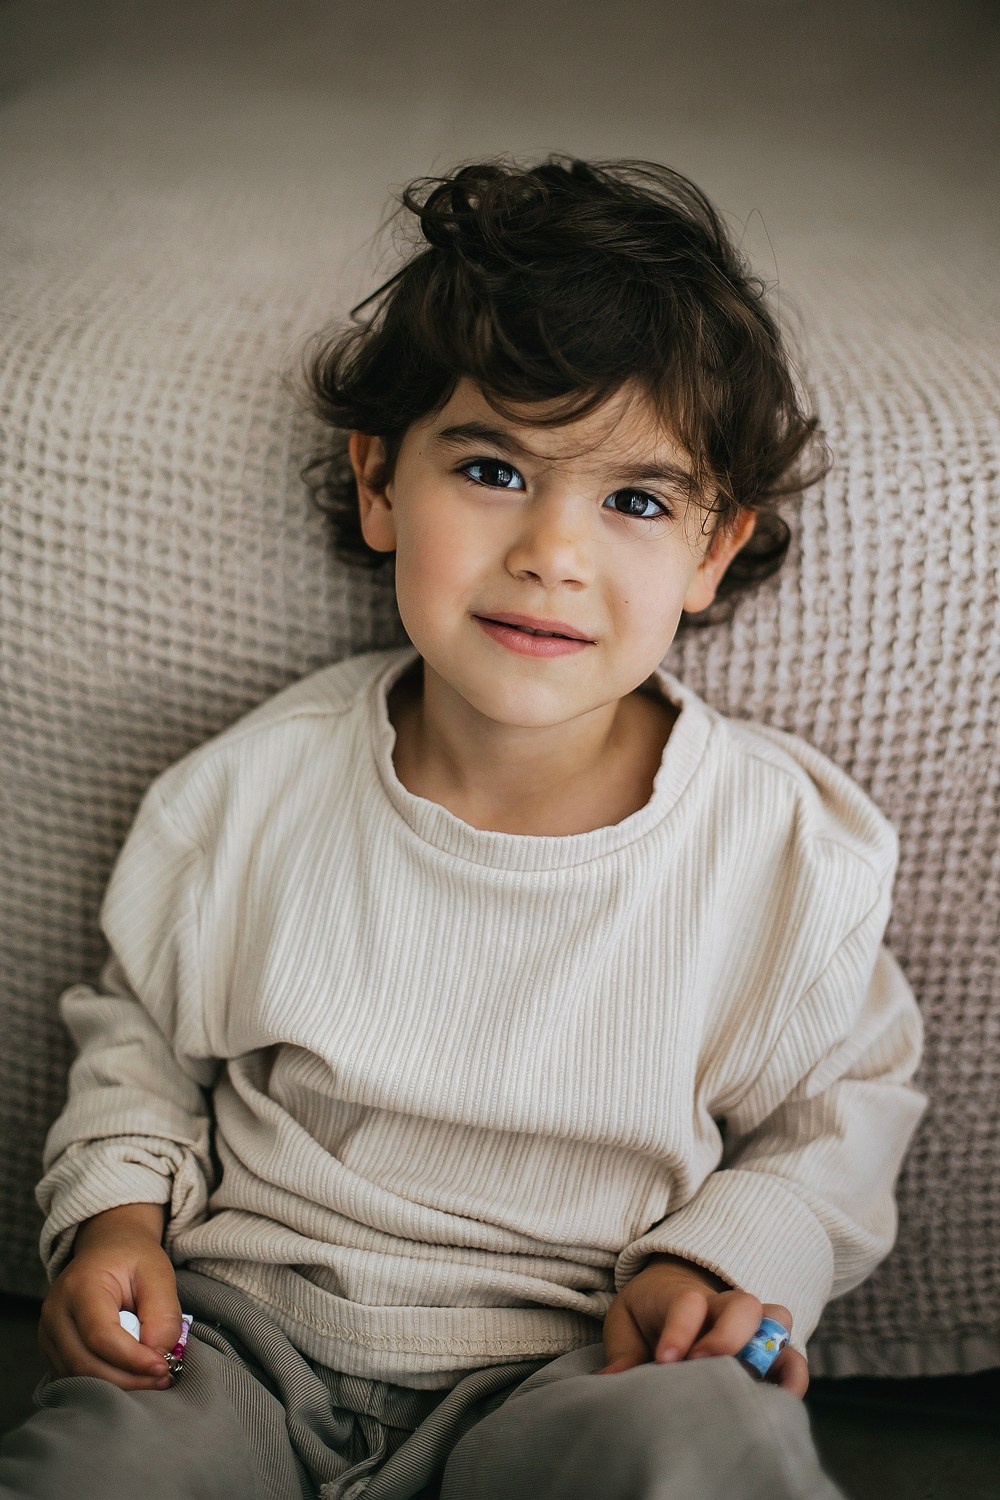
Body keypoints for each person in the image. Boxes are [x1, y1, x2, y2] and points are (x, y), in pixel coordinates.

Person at [0, 156, 926, 1500]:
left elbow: (847, 1104)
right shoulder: (248, 795)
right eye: (494, 467)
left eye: (635, 501)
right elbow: (141, 1034)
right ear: (381, 484)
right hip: (244, 1344)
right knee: (98, 1472)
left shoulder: (780, 850)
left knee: (712, 1450)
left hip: (572, 1364)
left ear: (715, 550)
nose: (553, 550)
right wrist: (117, 1214)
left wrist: (728, 1259)